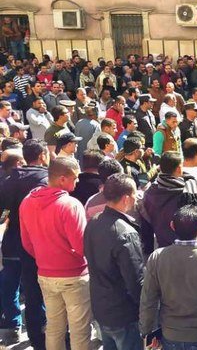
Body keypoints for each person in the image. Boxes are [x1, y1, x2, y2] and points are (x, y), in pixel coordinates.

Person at [19, 157, 91, 350]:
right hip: (74, 275)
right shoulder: (70, 205)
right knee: (79, 330)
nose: (77, 182)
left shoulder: (27, 202)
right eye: (74, 178)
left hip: (45, 273)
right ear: (61, 179)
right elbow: (82, 245)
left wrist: (45, 258)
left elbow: (27, 243)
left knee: (54, 327)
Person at [140, 205, 197, 350]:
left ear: (172, 226)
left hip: (171, 335)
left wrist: (147, 332)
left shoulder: (158, 257)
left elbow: (148, 299)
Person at [84, 174, 144, 350]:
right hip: (123, 313)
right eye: (135, 194)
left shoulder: (93, 222)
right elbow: (135, 280)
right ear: (126, 198)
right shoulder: (126, 233)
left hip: (101, 307)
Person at [0, 139, 48, 348]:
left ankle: (12, 328)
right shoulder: (46, 179)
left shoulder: (6, 180)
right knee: (37, 288)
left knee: (10, 285)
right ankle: (42, 329)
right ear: (42, 155)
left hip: (11, 241)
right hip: (37, 244)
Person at [139, 151, 197, 254]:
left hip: (163, 250)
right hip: (189, 250)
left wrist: (149, 253)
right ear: (178, 168)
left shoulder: (149, 193)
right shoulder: (188, 193)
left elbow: (146, 226)